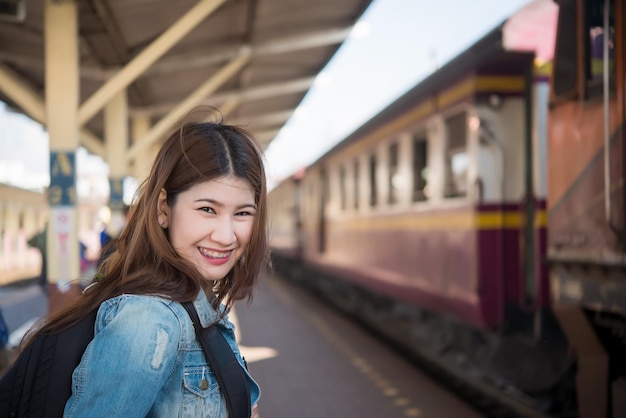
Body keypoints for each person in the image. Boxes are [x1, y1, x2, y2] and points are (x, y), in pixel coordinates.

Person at [24, 118, 269, 417]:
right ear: (164, 208)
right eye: (207, 209)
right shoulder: (149, 322)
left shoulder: (196, 305)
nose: (226, 235)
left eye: (242, 213)